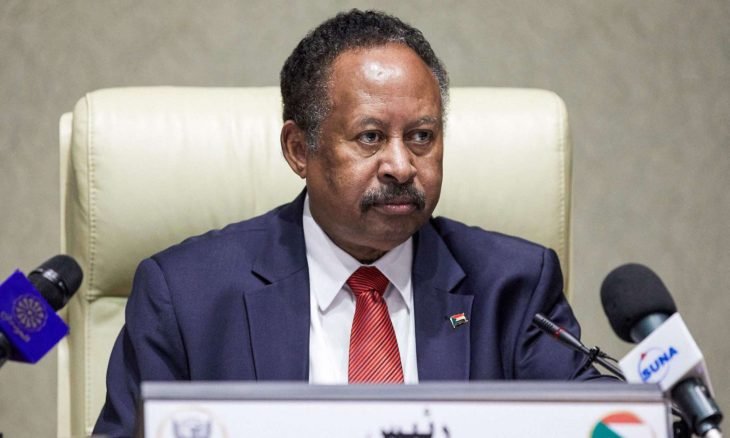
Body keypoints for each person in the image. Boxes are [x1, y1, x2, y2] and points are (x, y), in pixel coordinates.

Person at [94, 9, 607, 436]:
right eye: (370, 137)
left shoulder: (513, 288)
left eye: (422, 137)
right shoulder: (186, 295)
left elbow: (599, 424)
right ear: (299, 149)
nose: (401, 166)